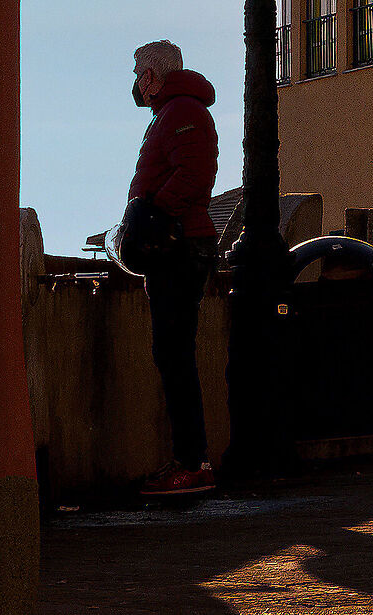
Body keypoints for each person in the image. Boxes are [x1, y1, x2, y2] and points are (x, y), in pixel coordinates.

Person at [127, 40, 219, 496]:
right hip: (177, 245)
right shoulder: (174, 112)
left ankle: (192, 462)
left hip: (181, 247)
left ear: (156, 75)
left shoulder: (183, 112)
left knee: (175, 354)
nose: (137, 82)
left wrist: (153, 215)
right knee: (172, 354)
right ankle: (188, 459)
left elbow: (193, 175)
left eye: (141, 72)